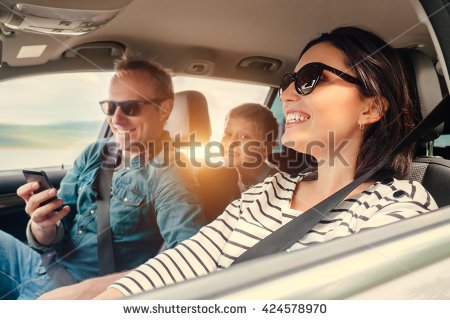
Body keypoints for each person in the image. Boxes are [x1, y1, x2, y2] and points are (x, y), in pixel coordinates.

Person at [41, 26, 437, 300]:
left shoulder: (397, 209)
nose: (287, 95)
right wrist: (100, 298)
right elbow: (189, 260)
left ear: (371, 107)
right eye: (287, 81)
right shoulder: (272, 190)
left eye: (310, 79)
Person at [0, 58, 207, 300]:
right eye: (111, 106)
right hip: (40, 266)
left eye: (131, 107)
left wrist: (83, 293)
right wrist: (43, 226)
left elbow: (191, 259)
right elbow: (60, 226)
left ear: (164, 109)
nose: (116, 119)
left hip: (83, 294)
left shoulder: (171, 174)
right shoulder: (95, 152)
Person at [197, 103, 280, 222]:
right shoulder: (221, 177)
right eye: (228, 134)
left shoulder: (275, 189)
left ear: (266, 148)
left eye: (244, 136)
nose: (231, 142)